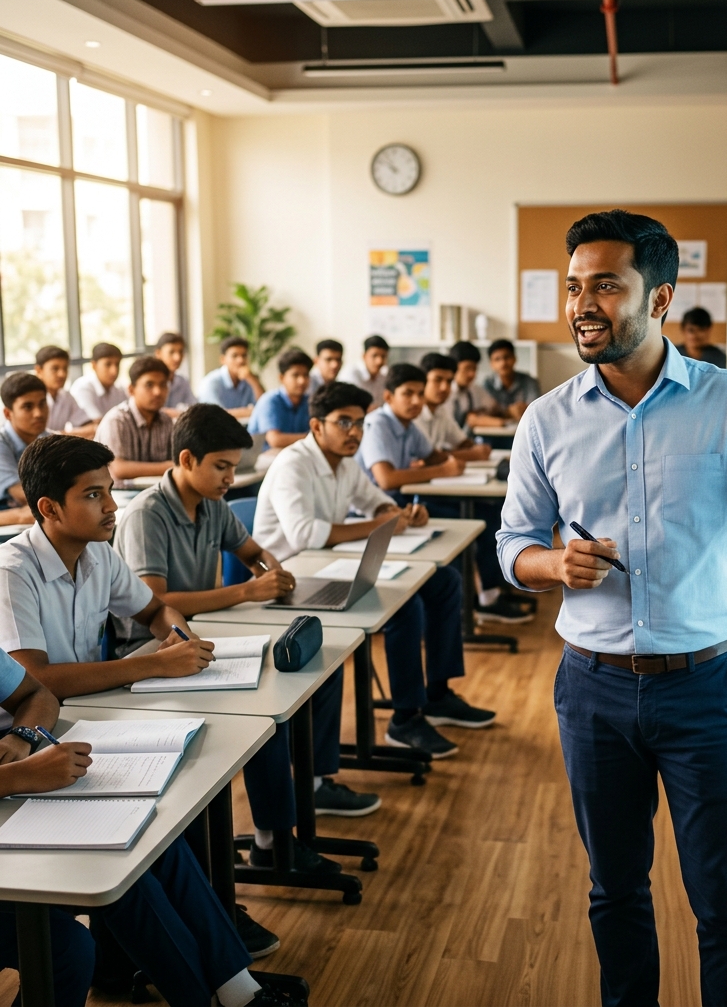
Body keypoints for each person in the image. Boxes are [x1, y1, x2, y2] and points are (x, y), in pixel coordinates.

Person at [496, 209, 727, 1007]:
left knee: (723, 897)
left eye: (605, 284)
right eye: (573, 286)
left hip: (703, 690)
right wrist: (553, 562)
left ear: (659, 298)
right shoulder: (546, 420)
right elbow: (511, 544)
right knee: (614, 890)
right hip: (592, 689)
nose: (582, 303)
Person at [0, 433, 286, 959]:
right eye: (93, 495)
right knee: (154, 813)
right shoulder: (12, 571)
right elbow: (37, 681)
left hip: (88, 716)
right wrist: (154, 663)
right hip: (34, 737)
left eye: (109, 490)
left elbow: (155, 611)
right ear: (48, 508)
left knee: (182, 786)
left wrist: (178, 636)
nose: (112, 506)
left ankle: (198, 930)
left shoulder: (97, 555)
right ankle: (176, 940)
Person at [115, 402, 380, 831]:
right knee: (266, 720)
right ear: (186, 460)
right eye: (221, 467)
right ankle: (274, 842)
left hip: (207, 634)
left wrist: (271, 570)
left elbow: (253, 552)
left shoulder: (212, 503)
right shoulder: (147, 514)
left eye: (234, 468)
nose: (230, 479)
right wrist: (246, 590)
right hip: (151, 652)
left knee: (321, 666)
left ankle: (313, 783)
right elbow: (157, 601)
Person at [254, 381, 496, 759]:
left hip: (330, 567)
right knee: (404, 606)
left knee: (444, 581)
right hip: (290, 579)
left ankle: (438, 694)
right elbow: (306, 536)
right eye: (344, 423)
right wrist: (378, 524)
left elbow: (377, 504)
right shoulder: (293, 463)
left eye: (360, 424)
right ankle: (405, 718)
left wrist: (400, 514)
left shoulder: (346, 464)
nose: (355, 433)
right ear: (317, 426)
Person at [417, 353, 531, 624]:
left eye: (448, 381)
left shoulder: (441, 411)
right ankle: (484, 599)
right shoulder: (415, 414)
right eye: (437, 381)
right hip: (421, 497)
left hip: (445, 485)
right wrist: (467, 454)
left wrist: (471, 450)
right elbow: (431, 458)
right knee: (483, 521)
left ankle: (494, 590)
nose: (445, 388)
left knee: (493, 513)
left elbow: (458, 444)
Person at [355, 363, 465, 499]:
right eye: (408, 394)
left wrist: (454, 462)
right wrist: (443, 470)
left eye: (421, 394)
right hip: (370, 510)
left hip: (397, 502)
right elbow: (387, 480)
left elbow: (433, 457)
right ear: (388, 397)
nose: (416, 401)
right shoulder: (376, 424)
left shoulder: (409, 426)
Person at [94, 355, 174, 486]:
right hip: (115, 497)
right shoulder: (117, 420)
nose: (158, 392)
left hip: (154, 494)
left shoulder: (166, 421)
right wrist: (168, 466)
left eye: (163, 385)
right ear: (131, 389)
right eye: (149, 385)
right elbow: (119, 469)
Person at [0, 373, 51, 525]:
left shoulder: (48, 440)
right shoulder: (2, 443)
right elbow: (22, 495)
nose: (38, 413)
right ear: (8, 414)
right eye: (27, 407)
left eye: (42, 404)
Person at [248, 347, 312, 449]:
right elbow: (275, 440)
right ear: (282, 378)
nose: (302, 381)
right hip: (263, 459)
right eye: (295, 375)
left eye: (306, 375)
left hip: (291, 455)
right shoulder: (270, 401)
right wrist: (313, 438)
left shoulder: (308, 401)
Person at [198, 337, 265, 419]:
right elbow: (216, 414)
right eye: (235, 356)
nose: (240, 360)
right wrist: (250, 411)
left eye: (244, 356)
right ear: (223, 359)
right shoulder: (211, 382)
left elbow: (265, 407)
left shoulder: (250, 379)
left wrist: (253, 381)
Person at [34, 345, 93, 437]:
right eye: (55, 369)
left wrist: (62, 435)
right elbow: (35, 436)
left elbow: (91, 428)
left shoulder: (66, 396)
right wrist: (65, 435)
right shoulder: (30, 397)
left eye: (65, 369)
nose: (62, 374)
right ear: (39, 371)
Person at [448, 341, 505, 429]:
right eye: (467, 368)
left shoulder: (474, 390)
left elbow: (495, 408)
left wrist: (481, 414)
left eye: (474, 369)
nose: (472, 374)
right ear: (454, 366)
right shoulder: (445, 392)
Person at [69, 343, 127, 422]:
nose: (114, 371)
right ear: (94, 365)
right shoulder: (83, 388)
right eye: (108, 364)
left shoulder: (119, 390)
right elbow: (96, 423)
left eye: (117, 364)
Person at [483, 339, 539, 421]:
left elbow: (535, 408)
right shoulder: (487, 384)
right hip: (495, 431)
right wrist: (508, 412)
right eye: (497, 359)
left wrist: (502, 413)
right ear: (491, 364)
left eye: (507, 357)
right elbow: (486, 412)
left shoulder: (529, 381)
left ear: (514, 359)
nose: (503, 363)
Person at [155, 331, 199, 415]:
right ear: (158, 353)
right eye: (171, 352)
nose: (177, 358)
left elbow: (195, 410)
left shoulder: (182, 382)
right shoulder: (151, 382)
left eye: (181, 352)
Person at [340, 335, 389, 409]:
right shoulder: (350, 374)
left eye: (383, 356)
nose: (379, 361)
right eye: (374, 356)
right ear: (364, 356)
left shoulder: (383, 377)